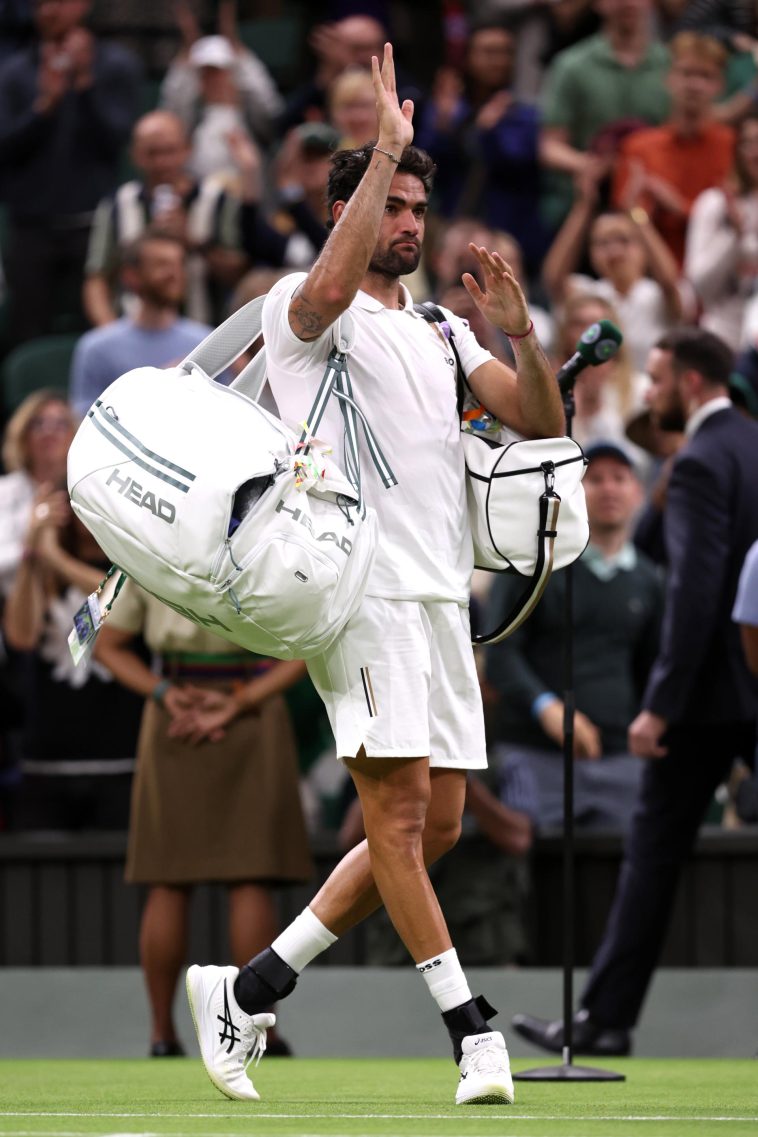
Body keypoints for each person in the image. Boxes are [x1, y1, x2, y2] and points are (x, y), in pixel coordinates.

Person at [185, 43, 564, 1106]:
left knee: (433, 828)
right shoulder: (303, 316)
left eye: (412, 205)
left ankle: (249, 987)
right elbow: (322, 290)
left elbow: (538, 418)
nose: (408, 220)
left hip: (442, 597)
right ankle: (471, 1032)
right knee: (397, 822)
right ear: (346, 211)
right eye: (387, 203)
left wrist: (523, 336)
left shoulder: (443, 332)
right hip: (357, 596)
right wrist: (384, 144)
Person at [512, 327, 758, 1056]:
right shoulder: (752, 445)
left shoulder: (699, 462)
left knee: (652, 855)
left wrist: (659, 702)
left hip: (708, 700)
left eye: (654, 380)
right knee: (651, 849)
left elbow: (696, 592)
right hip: (748, 687)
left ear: (688, 383)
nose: (648, 393)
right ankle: (604, 1016)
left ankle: (605, 1019)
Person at [94, 582, 313, 1057]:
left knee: (168, 879)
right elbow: (313, 642)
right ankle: (262, 1032)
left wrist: (164, 693)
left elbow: (105, 643)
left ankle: (161, 1034)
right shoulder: (270, 540)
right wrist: (241, 700)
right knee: (250, 877)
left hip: (175, 709)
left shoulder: (144, 538)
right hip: (249, 705)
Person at [485, 441, 663, 834]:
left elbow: (653, 667)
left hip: (621, 762)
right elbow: (499, 651)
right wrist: (546, 707)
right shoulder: (535, 563)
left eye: (620, 478)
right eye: (594, 479)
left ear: (637, 492)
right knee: (532, 879)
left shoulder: (649, 582)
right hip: (533, 756)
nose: (608, 489)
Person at [0, 0, 141, 342]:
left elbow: (117, 143)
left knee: (97, 333)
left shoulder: (117, 65)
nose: (47, 11)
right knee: (26, 333)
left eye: (58, 2)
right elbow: (5, 148)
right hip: (32, 227)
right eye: (39, 4)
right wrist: (43, 107)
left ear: (82, 6)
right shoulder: (15, 71)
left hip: (96, 228)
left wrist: (85, 85)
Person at [83, 110, 248, 329]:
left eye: (170, 151)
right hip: (135, 330)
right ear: (135, 155)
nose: (162, 162)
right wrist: (111, 333)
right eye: (152, 153)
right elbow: (97, 277)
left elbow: (238, 274)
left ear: (187, 149)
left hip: (206, 333)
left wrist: (192, 240)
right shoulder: (118, 204)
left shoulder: (217, 200)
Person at [538, 0, 670, 231]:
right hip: (587, 208)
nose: (627, 3)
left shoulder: (671, 65)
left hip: (655, 208)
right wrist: (588, 165)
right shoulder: (571, 66)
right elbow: (549, 146)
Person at [542, 163, 687, 371]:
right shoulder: (590, 293)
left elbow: (669, 281)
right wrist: (584, 207)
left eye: (623, 240)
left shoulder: (655, 294)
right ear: (591, 254)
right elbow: (553, 279)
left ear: (643, 248)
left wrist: (635, 212)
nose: (614, 251)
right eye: (602, 243)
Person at [611, 31, 735, 266]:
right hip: (651, 276)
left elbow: (735, 225)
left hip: (718, 276)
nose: (695, 84)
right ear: (669, 78)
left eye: (706, 76)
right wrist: (640, 213)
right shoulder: (639, 147)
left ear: (720, 85)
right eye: (687, 73)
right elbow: (626, 222)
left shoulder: (734, 147)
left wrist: (680, 208)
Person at [70, 232, 213, 420]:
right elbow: (85, 423)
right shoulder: (97, 348)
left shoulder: (207, 342)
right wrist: (156, 387)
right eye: (162, 265)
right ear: (131, 276)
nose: (175, 274)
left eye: (179, 265)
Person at [684, 110, 758, 349]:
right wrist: (734, 238)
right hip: (721, 337)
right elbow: (700, 286)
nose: (756, 153)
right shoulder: (714, 204)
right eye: (749, 144)